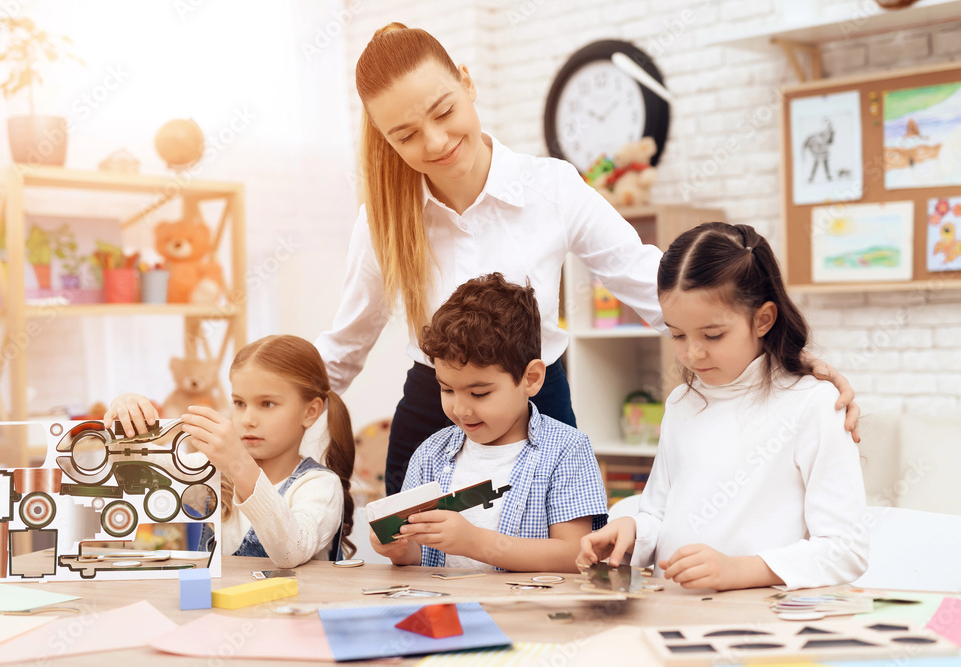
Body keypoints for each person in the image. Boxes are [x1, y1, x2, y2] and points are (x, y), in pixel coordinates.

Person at [315, 22, 862, 496]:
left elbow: (650, 281)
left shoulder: (551, 188)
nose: (435, 142)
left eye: (444, 111)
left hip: (538, 403)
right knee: (419, 567)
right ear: (385, 139)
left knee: (555, 563)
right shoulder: (383, 222)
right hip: (433, 413)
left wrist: (787, 358)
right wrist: (281, 408)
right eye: (406, 135)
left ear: (467, 82)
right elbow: (345, 346)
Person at [577, 222, 869, 591]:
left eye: (713, 335)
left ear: (763, 319)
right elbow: (660, 514)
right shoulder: (681, 403)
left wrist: (738, 570)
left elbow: (845, 549)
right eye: (677, 334)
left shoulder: (814, 404)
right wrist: (632, 530)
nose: (692, 353)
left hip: (760, 616)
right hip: (675, 610)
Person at [369, 273, 608, 572]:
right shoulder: (430, 454)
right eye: (447, 390)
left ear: (531, 378)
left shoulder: (566, 450)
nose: (461, 409)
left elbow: (575, 556)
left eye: (479, 393)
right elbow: (419, 558)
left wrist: (475, 542)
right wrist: (399, 549)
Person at [104, 335, 355, 568]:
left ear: (310, 412)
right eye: (239, 403)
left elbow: (290, 552)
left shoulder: (320, 485)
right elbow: (132, 470)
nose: (247, 419)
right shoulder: (213, 471)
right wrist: (122, 419)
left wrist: (239, 465)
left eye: (267, 403)